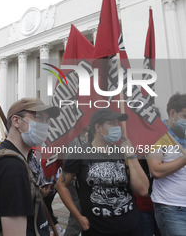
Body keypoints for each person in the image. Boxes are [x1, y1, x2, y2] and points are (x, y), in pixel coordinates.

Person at [57, 108, 149, 236]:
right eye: (112, 123)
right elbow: (61, 185)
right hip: (97, 230)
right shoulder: (79, 153)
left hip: (130, 227)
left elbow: (143, 190)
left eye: (117, 123)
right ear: (98, 127)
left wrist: (131, 155)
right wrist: (78, 217)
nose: (117, 127)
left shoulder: (123, 152)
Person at [0, 97, 60, 236]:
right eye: (38, 117)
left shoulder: (24, 159)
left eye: (46, 120)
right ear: (16, 121)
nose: (44, 124)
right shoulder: (12, 167)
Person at [146, 93, 186, 236]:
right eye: (185, 117)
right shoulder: (157, 136)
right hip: (173, 209)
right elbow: (156, 170)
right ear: (172, 113)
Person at [63, 126, 89, 236]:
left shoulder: (87, 137)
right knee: (77, 214)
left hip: (82, 182)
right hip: (73, 182)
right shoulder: (72, 138)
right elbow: (69, 163)